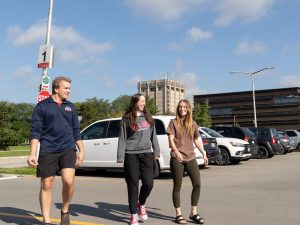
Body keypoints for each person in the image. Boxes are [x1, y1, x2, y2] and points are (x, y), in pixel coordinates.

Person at [27, 76, 84, 225]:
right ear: (56, 88)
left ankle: (65, 210)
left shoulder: (70, 107)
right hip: (48, 149)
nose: (68, 91)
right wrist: (32, 153)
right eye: (66, 88)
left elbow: (76, 130)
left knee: (69, 181)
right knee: (47, 184)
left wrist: (81, 150)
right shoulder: (42, 107)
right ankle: (46, 220)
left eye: (69, 88)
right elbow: (36, 132)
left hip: (68, 148)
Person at [117, 93, 160, 225]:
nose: (143, 103)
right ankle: (133, 214)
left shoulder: (148, 117)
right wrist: (120, 156)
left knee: (148, 183)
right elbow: (122, 138)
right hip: (131, 154)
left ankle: (141, 203)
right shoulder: (127, 118)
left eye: (144, 101)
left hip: (146, 153)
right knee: (133, 184)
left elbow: (154, 135)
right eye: (141, 101)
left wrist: (156, 150)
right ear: (135, 102)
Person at [167, 99, 208, 224]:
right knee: (177, 186)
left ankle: (193, 213)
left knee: (197, 184)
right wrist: (177, 152)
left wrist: (204, 153)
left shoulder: (193, 124)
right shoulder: (173, 122)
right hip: (177, 157)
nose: (182, 109)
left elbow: (196, 139)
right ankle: (178, 214)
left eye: (184, 107)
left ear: (188, 108)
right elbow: (171, 140)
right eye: (180, 107)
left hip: (190, 157)